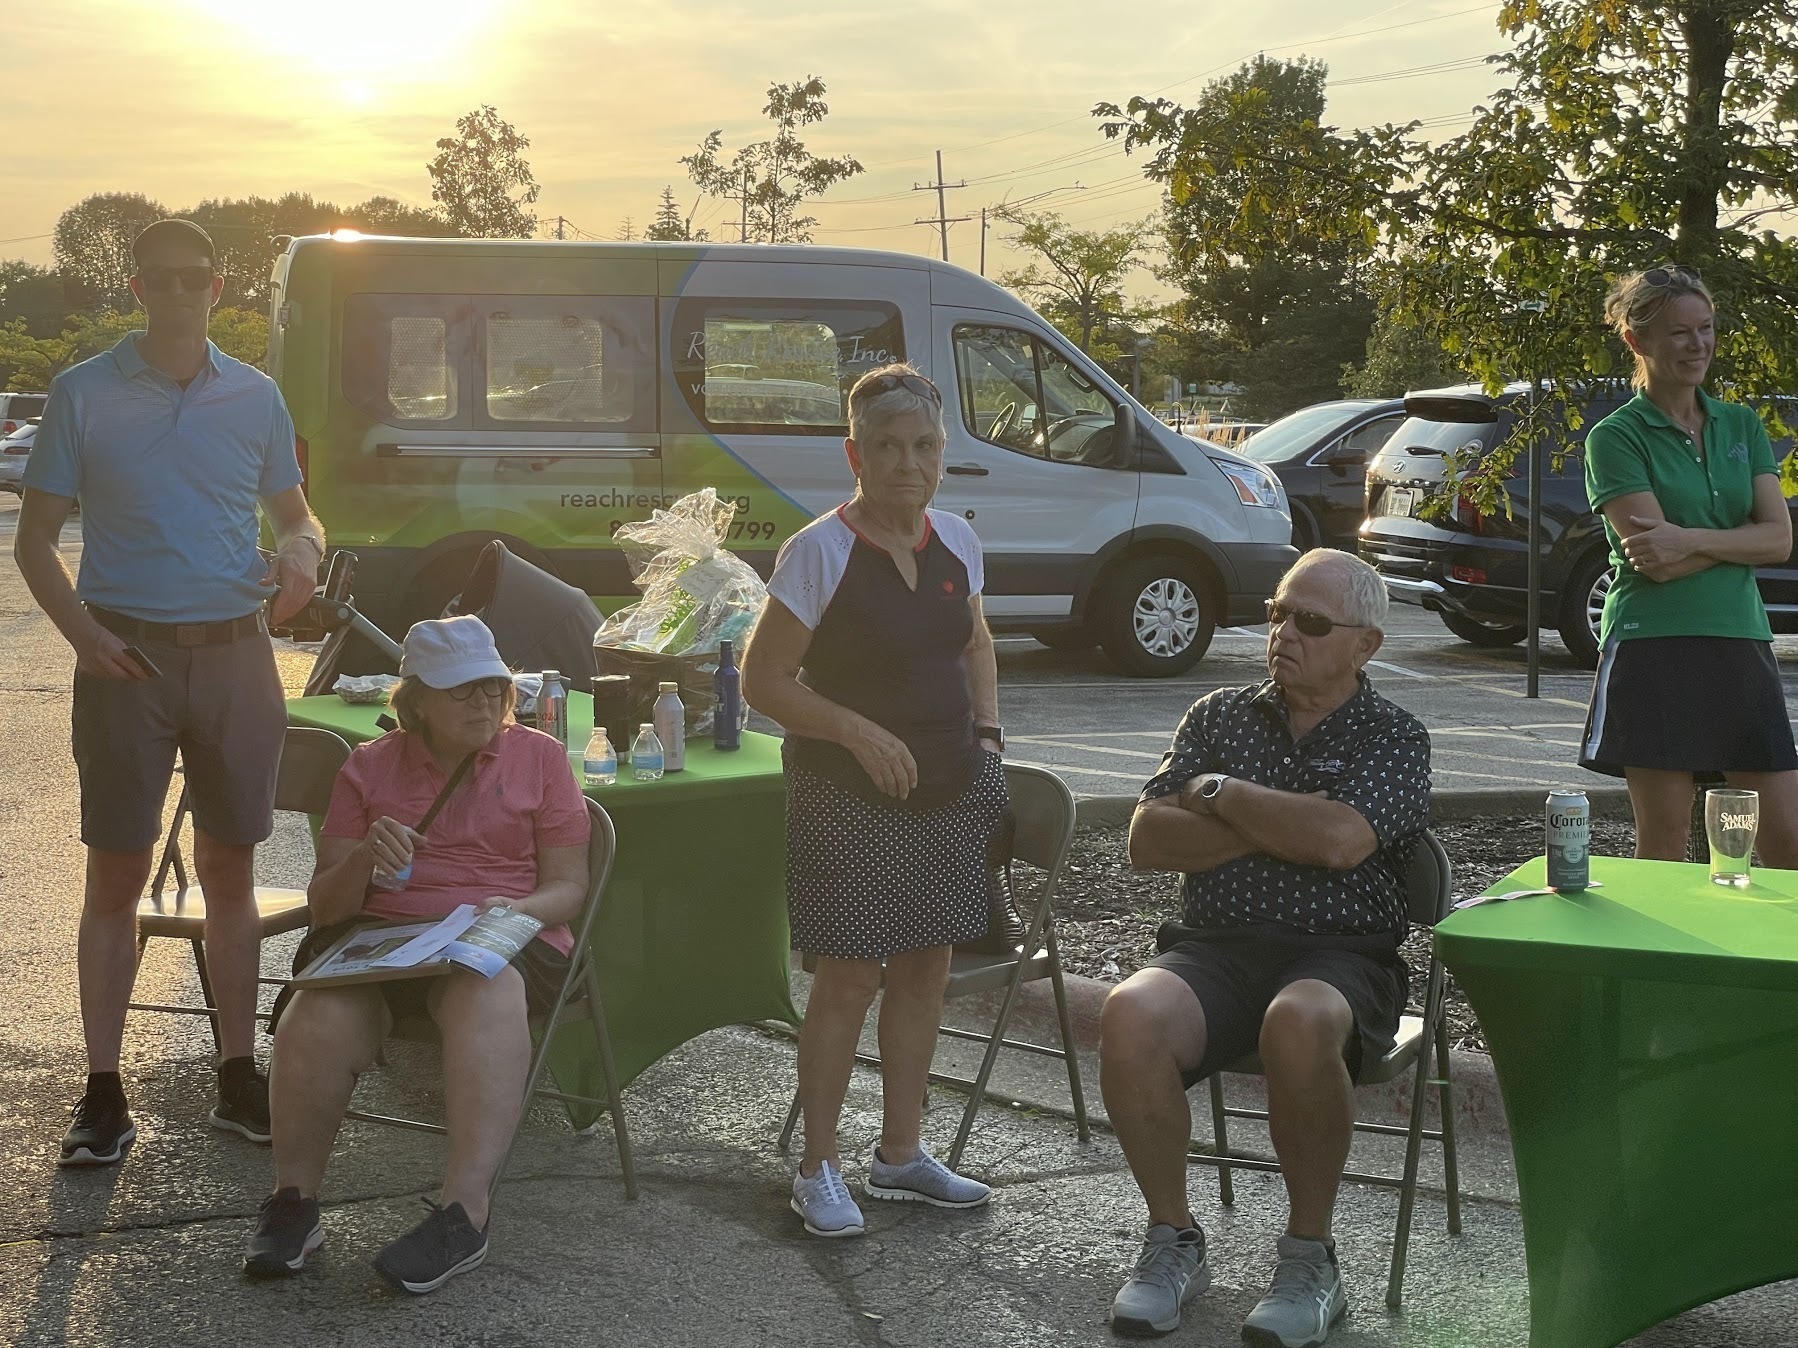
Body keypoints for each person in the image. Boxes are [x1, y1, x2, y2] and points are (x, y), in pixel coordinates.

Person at [13, 219, 325, 1167]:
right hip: (126, 660)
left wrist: (303, 554)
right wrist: (85, 637)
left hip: (237, 656)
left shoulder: (256, 395)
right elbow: (34, 543)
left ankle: (237, 1073)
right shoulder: (83, 392)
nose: (180, 292)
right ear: (137, 289)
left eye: (196, 278)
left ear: (219, 287)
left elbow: (295, 513)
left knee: (231, 872)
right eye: (162, 279)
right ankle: (103, 1092)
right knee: (116, 875)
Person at [1101, 550, 1430, 1347]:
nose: (1284, 633)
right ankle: (1173, 1240)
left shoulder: (1395, 735)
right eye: (1278, 614)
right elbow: (1148, 839)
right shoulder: (1218, 715)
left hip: (1343, 955)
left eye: (1310, 622)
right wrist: (1284, 822)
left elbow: (1342, 842)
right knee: (1130, 1012)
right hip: (1215, 948)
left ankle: (1310, 1259)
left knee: (1300, 1019)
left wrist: (1221, 796)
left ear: (1366, 645)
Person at [243, 615, 590, 1292]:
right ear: (418, 701)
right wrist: (363, 859)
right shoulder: (370, 765)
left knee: (486, 989)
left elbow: (568, 887)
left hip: (502, 931)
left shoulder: (540, 758)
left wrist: (517, 910)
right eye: (462, 690)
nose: (483, 702)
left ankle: (464, 1212)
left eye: (492, 687)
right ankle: (294, 1201)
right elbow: (326, 906)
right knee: (318, 1013)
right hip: (384, 933)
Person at [742, 362, 1004, 1238]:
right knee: (850, 977)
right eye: (887, 447)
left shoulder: (957, 541)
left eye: (925, 445)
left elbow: (975, 643)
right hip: (844, 794)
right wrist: (856, 732)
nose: (908, 464)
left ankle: (900, 1155)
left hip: (948, 786)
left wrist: (989, 737)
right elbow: (763, 682)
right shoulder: (817, 552)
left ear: (942, 452)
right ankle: (817, 1167)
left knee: (926, 969)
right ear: (854, 455)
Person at [1579, 265, 1798, 861]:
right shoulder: (1615, 437)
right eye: (1679, 332)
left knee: (1785, 839)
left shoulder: (1741, 423)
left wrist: (1688, 539)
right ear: (1637, 340)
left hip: (1740, 637)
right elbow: (1659, 564)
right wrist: (1732, 541)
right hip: (1654, 643)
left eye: (1706, 328)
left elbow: (1779, 541)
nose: (1697, 344)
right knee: (1666, 840)